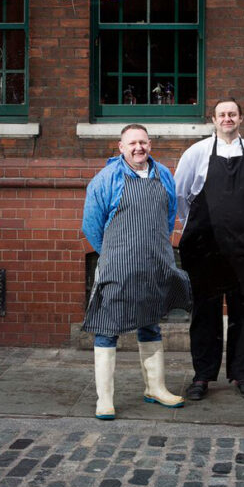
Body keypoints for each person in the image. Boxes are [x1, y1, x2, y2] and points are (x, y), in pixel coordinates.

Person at [81, 124, 192, 420]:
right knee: (107, 328)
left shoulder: (164, 175)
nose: (138, 148)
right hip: (116, 265)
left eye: (143, 142)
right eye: (132, 143)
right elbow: (91, 226)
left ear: (150, 144)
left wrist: (155, 248)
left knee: (151, 324)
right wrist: (113, 254)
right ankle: (104, 399)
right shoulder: (107, 179)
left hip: (153, 263)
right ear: (121, 147)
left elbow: (169, 218)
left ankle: (155, 388)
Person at [175, 98, 244, 401]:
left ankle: (243, 375)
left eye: (232, 114)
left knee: (243, 310)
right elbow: (180, 194)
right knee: (205, 312)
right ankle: (202, 376)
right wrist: (197, 227)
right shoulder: (196, 153)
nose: (227, 119)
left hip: (243, 247)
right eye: (221, 115)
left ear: (241, 118)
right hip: (205, 247)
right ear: (213, 120)